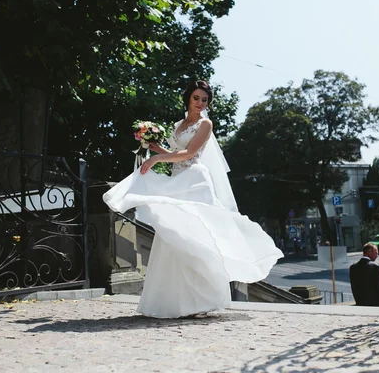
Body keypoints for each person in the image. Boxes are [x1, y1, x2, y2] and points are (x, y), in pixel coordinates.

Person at [103, 80, 283, 318]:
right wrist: (155, 147)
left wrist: (156, 160)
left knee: (197, 237)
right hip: (178, 179)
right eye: (196, 98)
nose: (200, 103)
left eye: (204, 100)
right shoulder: (178, 125)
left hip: (195, 182)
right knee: (172, 236)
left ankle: (200, 301)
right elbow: (175, 156)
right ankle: (172, 302)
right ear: (188, 98)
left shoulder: (205, 124)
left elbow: (189, 154)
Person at [349, 242, 379, 307]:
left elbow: (354, 287)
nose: (377, 255)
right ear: (369, 252)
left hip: (360, 304)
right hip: (376, 305)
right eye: (376, 253)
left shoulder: (353, 268)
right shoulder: (375, 267)